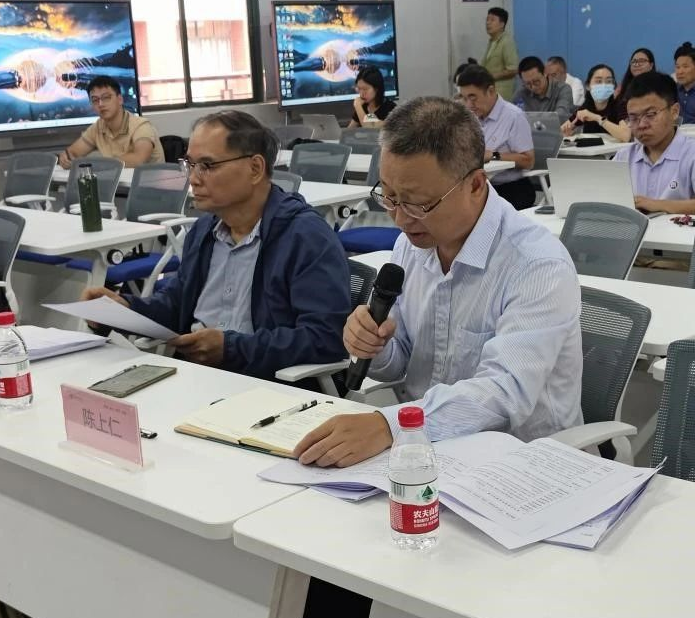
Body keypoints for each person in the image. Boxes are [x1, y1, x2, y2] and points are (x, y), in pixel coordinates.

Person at [293, 95, 583, 468]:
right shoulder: (411, 245)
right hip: (427, 449)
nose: (401, 219)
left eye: (419, 203)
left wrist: (391, 426)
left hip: (523, 463)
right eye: (389, 196)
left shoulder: (536, 265)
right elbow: (399, 365)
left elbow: (503, 393)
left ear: (475, 184)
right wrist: (374, 345)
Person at [79, 111, 351, 381]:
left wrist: (231, 349)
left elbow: (325, 337)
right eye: (190, 164)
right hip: (196, 376)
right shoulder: (204, 231)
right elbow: (176, 304)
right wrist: (124, 309)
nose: (193, 178)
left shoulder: (305, 237)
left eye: (207, 166)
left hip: (265, 386)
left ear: (255, 169)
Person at [615, 72, 695, 217]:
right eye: (633, 118)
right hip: (632, 230)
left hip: (677, 231)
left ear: (674, 111)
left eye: (650, 115)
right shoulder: (624, 157)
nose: (641, 125)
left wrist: (658, 205)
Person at [455, 65, 536, 209]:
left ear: (491, 91)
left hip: (510, 189)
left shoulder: (514, 116)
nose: (469, 104)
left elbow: (528, 160)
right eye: (464, 98)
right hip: (477, 187)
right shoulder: (469, 117)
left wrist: (493, 155)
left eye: (473, 98)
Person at [58, 75, 165, 169]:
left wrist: (101, 165)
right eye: (95, 100)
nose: (100, 104)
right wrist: (65, 158)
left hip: (151, 184)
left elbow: (138, 159)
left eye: (106, 98)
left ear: (120, 99)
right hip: (120, 184)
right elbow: (73, 153)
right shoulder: (98, 127)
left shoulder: (141, 126)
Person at [560, 63, 632, 142]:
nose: (604, 85)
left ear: (614, 86)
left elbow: (625, 137)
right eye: (598, 81)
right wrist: (567, 134)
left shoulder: (620, 106)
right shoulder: (585, 108)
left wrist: (597, 118)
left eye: (609, 81)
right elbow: (561, 131)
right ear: (588, 86)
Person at [513, 56, 574, 120]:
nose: (533, 87)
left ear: (545, 72)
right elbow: (511, 116)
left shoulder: (563, 89)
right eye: (528, 83)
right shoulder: (521, 92)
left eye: (536, 81)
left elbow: (560, 116)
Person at [480, 7, 519, 101]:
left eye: (492, 20)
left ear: (502, 24)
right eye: (487, 19)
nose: (488, 23)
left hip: (502, 94)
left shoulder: (507, 41)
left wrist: (490, 76)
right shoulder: (492, 41)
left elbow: (513, 70)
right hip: (490, 91)